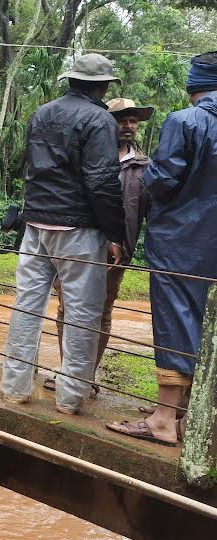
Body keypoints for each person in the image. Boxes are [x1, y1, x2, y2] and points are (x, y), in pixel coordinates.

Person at [0, 54, 124, 415]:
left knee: (27, 306)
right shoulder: (99, 119)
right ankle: (70, 400)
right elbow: (101, 181)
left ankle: (14, 387)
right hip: (78, 229)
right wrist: (115, 232)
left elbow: (32, 167)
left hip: (35, 225)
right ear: (102, 86)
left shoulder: (42, 113)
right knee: (83, 314)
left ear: (71, 81)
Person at [107, 52, 217, 445]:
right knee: (208, 324)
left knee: (175, 319)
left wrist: (149, 176)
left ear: (193, 85)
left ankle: (164, 419)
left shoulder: (186, 121)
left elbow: (164, 178)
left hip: (181, 241)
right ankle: (189, 415)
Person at [45, 97, 153, 394]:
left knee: (102, 312)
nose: (128, 125)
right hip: (76, 244)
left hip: (117, 253)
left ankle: (87, 377)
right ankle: (69, 371)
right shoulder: (85, 156)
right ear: (107, 123)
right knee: (67, 309)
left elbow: (151, 211)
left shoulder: (144, 168)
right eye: (121, 119)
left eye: (132, 120)